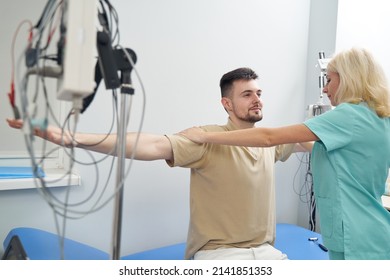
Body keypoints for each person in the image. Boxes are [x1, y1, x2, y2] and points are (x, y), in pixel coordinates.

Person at [7, 67, 305, 260]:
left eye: (259, 93)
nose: (257, 100)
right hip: (220, 255)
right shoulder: (207, 139)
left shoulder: (268, 141)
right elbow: (150, 144)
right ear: (227, 104)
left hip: (267, 253)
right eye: (247, 94)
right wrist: (70, 137)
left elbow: (311, 140)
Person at [181, 48, 390, 260]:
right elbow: (330, 155)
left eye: (329, 80)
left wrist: (204, 136)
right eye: (247, 94)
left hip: (356, 237)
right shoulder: (380, 117)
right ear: (227, 103)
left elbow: (268, 138)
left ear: (348, 79)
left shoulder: (347, 117)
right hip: (371, 230)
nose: (326, 89)